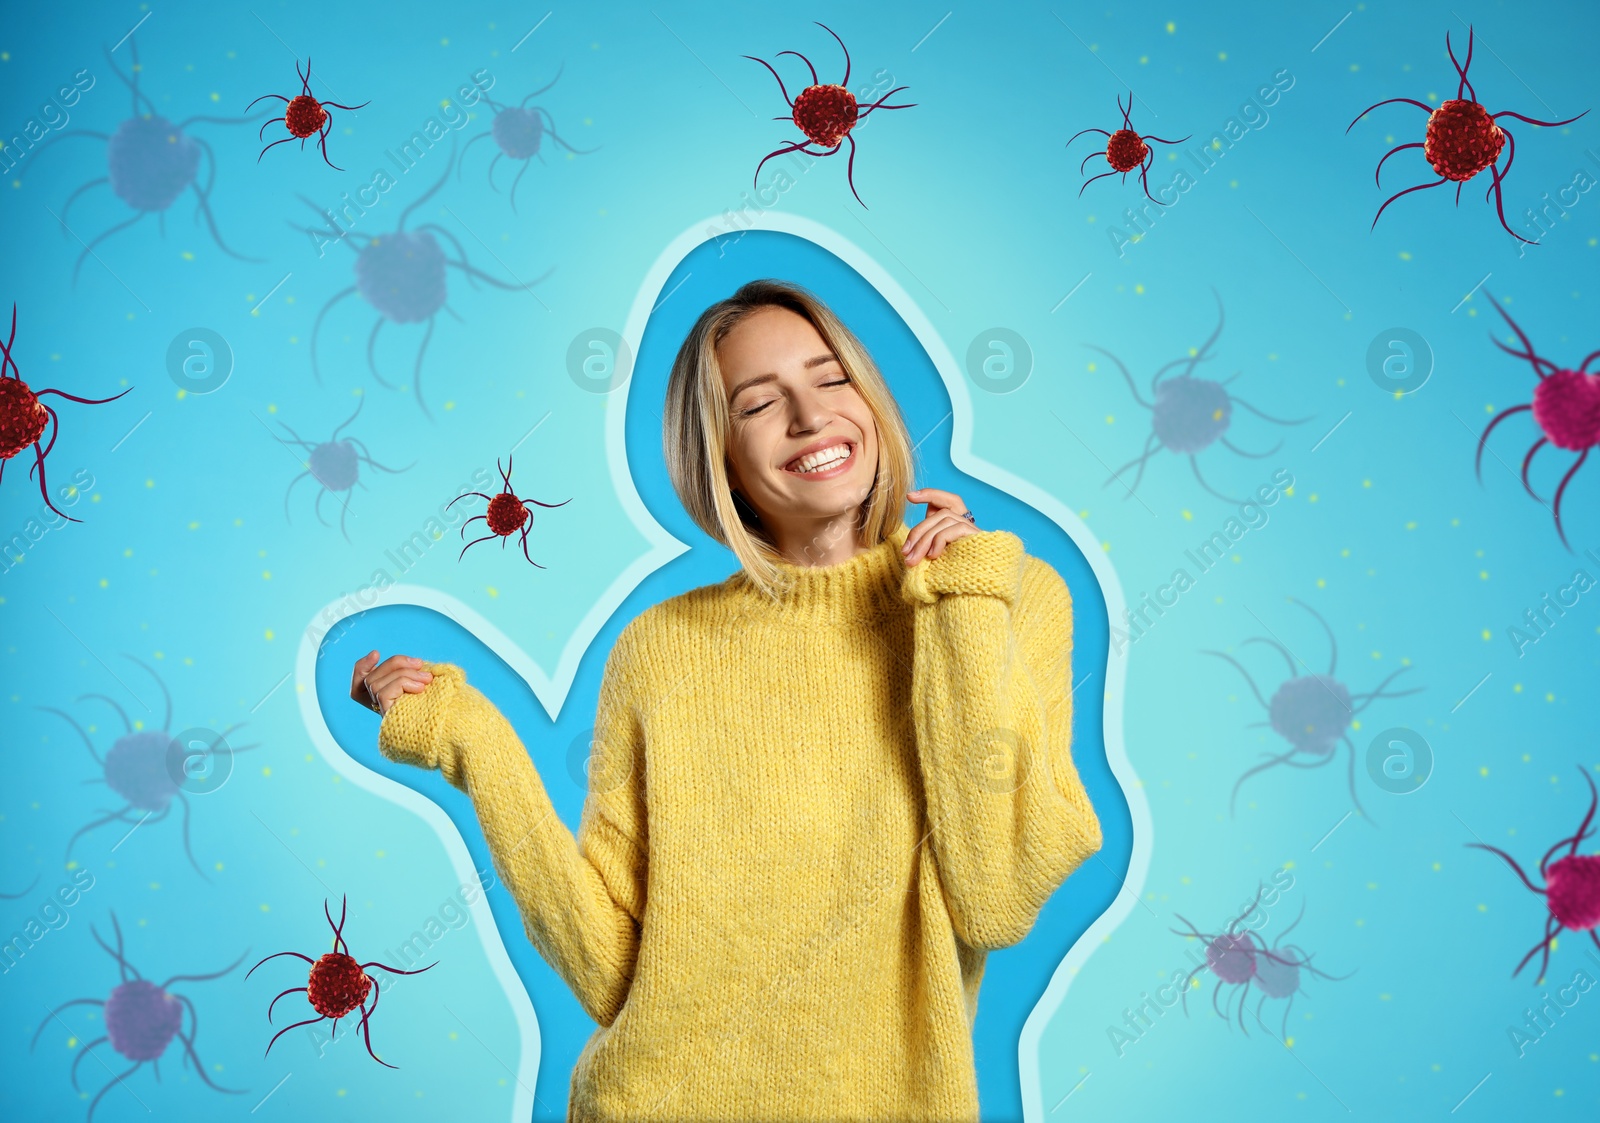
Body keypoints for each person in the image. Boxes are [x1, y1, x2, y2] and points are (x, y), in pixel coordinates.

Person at [350, 278, 1103, 1122]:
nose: (811, 417)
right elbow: (612, 969)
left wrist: (960, 603)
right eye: (758, 404)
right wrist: (473, 743)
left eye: (831, 377)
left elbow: (994, 896)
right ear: (721, 458)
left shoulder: (1005, 598)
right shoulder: (660, 649)